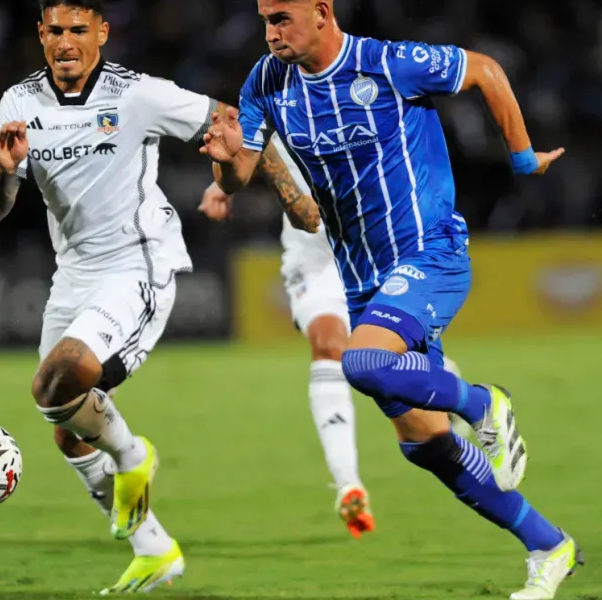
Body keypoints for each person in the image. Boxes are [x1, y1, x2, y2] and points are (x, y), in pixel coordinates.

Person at [199, 0, 582, 600]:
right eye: (265, 20)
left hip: (429, 254)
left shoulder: (386, 63)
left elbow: (485, 70)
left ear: (322, 12)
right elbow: (243, 168)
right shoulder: (267, 81)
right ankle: (549, 544)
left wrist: (520, 157)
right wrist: (223, 164)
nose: (270, 34)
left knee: (360, 363)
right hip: (362, 280)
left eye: (282, 19)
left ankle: (483, 402)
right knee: (426, 446)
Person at [0, 0, 315, 595]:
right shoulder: (18, 104)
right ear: (40, 35)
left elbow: (236, 121)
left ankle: (134, 456)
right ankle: (153, 547)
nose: (66, 42)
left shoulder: (137, 95)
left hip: (138, 263)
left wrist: (289, 195)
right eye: (55, 30)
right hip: (73, 272)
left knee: (59, 381)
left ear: (101, 33)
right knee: (65, 423)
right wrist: (4, 172)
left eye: (79, 29)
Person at [199, 135, 466, 538]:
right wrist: (219, 184)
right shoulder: (273, 88)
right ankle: (348, 484)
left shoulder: (370, 85)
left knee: (386, 359)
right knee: (328, 346)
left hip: (378, 249)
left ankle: (449, 385)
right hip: (314, 257)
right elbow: (247, 147)